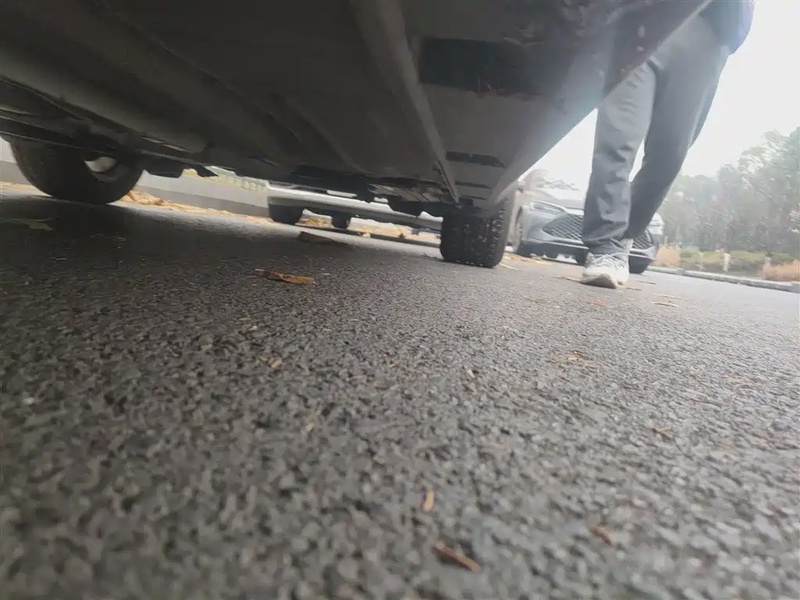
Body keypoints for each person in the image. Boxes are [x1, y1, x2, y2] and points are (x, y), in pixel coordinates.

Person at [580, 0, 755, 288]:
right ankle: (605, 245)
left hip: (707, 31)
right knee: (618, 140)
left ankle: (625, 232)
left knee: (670, 154)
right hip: (637, 21)